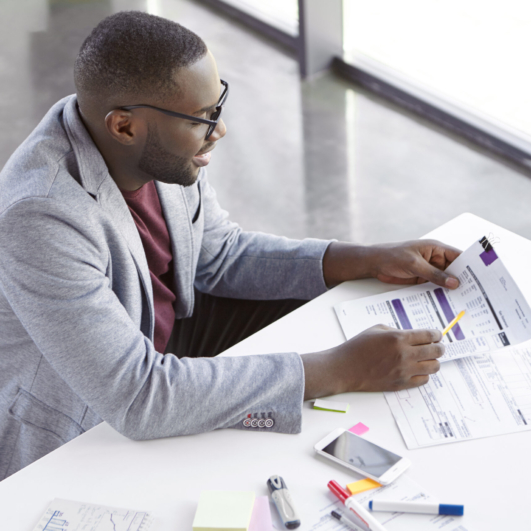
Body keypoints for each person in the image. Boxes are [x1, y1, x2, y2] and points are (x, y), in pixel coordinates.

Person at [0, 11, 460, 480]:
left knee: (336, 309)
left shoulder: (147, 142)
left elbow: (219, 255)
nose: (219, 131)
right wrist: (342, 369)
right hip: (91, 413)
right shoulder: (40, 215)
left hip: (166, 334)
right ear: (124, 127)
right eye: (202, 119)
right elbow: (140, 398)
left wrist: (366, 257)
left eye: (217, 106)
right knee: (328, 375)